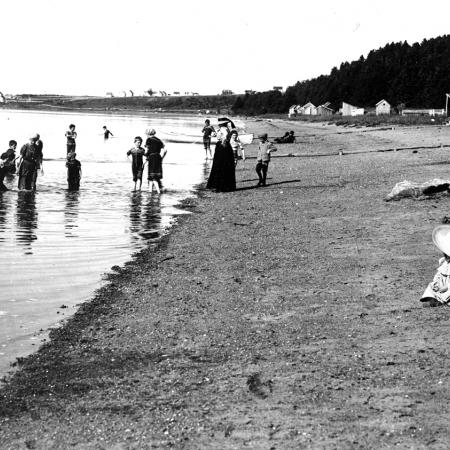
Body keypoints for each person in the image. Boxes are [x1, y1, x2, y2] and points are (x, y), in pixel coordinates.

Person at [421, 225, 450, 307]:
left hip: (448, 288)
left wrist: (446, 287)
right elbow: (439, 276)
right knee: (432, 286)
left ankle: (441, 300)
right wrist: (437, 284)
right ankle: (432, 298)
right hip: (442, 287)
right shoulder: (444, 263)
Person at [206, 117, 236, 192]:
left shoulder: (224, 129)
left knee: (219, 165)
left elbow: (225, 138)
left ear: (221, 124)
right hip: (224, 147)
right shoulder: (225, 129)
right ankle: (223, 186)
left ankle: (219, 186)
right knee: (222, 165)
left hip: (222, 148)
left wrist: (221, 140)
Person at [145, 128, 167, 194]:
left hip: (151, 157)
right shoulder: (159, 140)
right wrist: (162, 158)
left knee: (151, 175)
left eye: (146, 134)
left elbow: (147, 150)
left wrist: (145, 157)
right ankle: (150, 190)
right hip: (158, 157)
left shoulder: (148, 139)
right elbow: (165, 150)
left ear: (148, 134)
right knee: (155, 175)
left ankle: (157, 191)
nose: (146, 135)